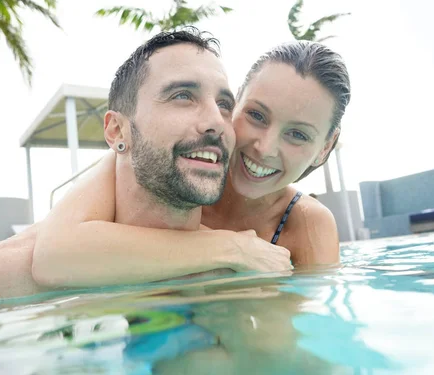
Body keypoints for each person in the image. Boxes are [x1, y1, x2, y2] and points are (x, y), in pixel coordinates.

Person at [0, 28, 293, 303]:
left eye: (225, 104)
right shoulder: (11, 275)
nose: (215, 121)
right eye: (181, 95)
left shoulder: (254, 260)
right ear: (116, 131)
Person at [30, 37, 351, 289]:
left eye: (297, 134)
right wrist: (230, 248)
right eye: (255, 115)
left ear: (324, 149)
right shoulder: (172, 173)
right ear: (232, 104)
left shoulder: (305, 224)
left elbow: (306, 341)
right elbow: (52, 256)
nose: (265, 148)